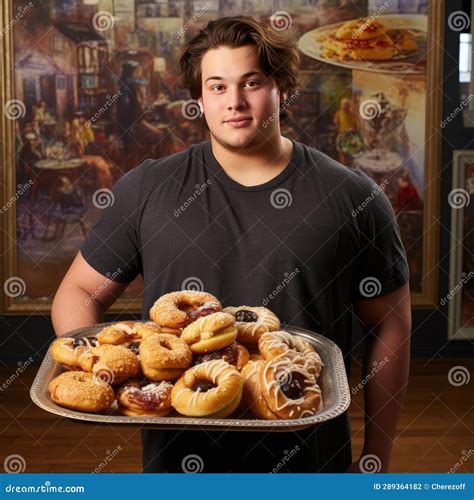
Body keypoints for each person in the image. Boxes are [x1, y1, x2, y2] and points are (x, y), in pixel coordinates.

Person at [51, 16, 411, 473]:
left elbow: (390, 329)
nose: (235, 102)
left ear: (280, 87)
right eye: (217, 87)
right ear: (199, 99)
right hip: (179, 463)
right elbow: (79, 291)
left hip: (311, 461)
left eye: (252, 83)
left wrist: (377, 456)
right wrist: (97, 363)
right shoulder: (148, 190)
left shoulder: (352, 197)